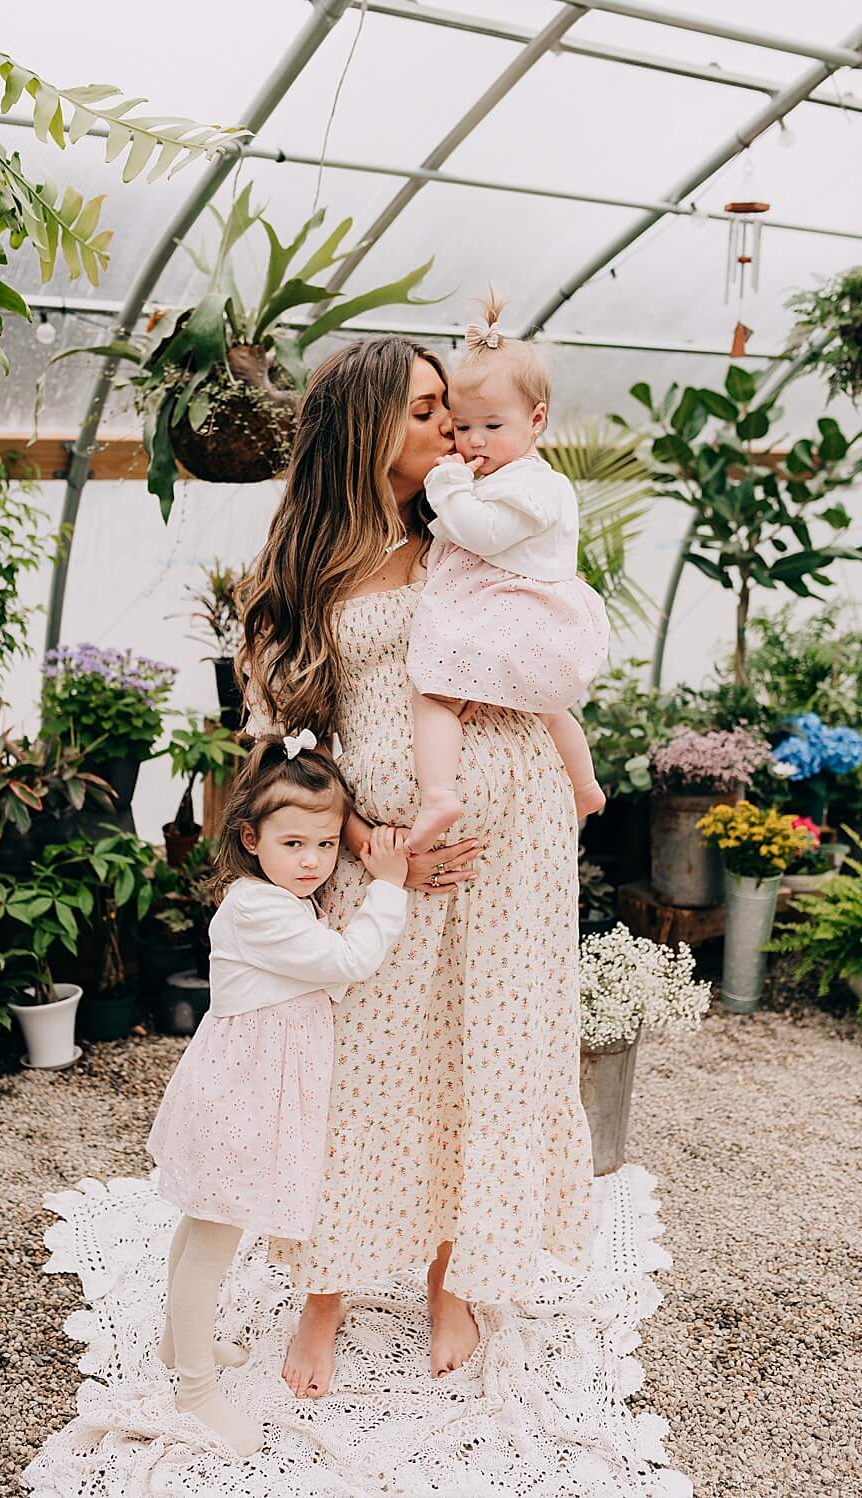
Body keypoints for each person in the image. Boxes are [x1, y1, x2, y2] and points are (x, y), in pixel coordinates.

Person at [234, 337, 595, 1399]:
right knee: (361, 1070)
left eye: (454, 410)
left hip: (510, 840)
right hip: (385, 856)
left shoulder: (476, 532)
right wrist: (364, 845)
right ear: (365, 427)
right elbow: (283, 745)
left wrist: (560, 746)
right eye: (427, 411)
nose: (451, 429)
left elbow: (542, 657)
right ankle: (323, 1299)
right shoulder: (308, 563)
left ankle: (456, 1276)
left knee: (486, 1052)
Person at [147, 733, 410, 1454]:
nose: (313, 860)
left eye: (327, 845)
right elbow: (350, 961)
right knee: (211, 1238)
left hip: (253, 1088)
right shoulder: (256, 909)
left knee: (205, 1224)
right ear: (249, 837)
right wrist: (387, 885)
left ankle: (179, 1347)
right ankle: (195, 1389)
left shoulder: (280, 899)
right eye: (293, 842)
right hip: (240, 1095)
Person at [406, 291, 610, 852]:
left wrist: (446, 486)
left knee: (436, 690)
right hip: (518, 608)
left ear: (537, 419)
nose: (473, 441)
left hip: (520, 608)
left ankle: (439, 794)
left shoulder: (530, 483)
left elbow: (484, 534)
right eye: (463, 426)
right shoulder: (508, 474)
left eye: (492, 426)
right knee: (545, 707)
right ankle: (586, 785)